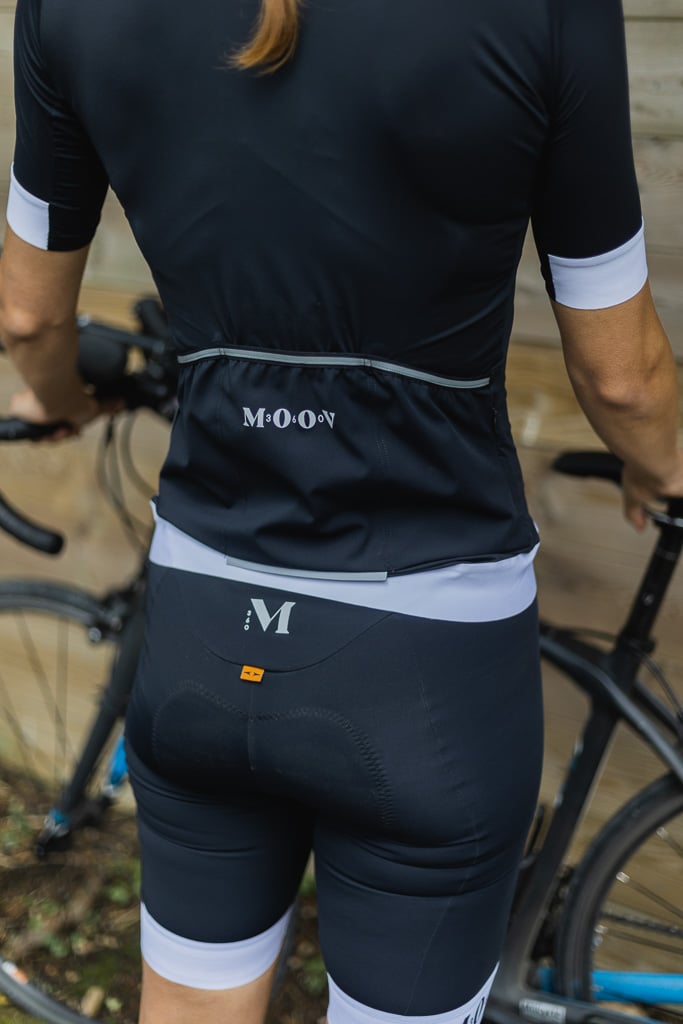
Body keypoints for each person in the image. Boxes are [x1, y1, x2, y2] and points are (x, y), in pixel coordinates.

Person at [1, 0, 682, 1022]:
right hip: (429, 667)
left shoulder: (73, 10)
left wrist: (59, 399)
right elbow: (621, 379)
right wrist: (660, 469)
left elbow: (27, 315)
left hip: (200, 633)